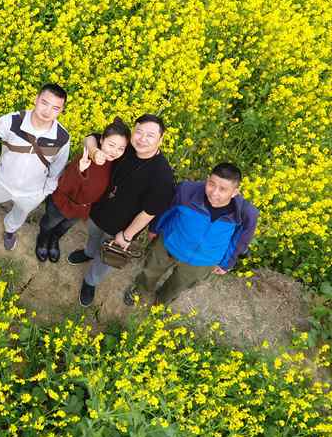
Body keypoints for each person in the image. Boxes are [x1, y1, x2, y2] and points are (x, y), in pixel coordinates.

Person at [69, 114, 175, 308]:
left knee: (106, 259)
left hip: (121, 228)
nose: (142, 139)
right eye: (139, 132)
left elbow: (148, 213)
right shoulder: (125, 148)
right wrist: (94, 151)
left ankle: (90, 282)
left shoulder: (162, 176)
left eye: (150, 135)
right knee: (92, 237)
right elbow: (90, 138)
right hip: (98, 212)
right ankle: (88, 253)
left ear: (161, 139)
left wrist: (127, 237)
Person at [123, 163, 258, 307]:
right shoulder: (187, 191)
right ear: (207, 179)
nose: (214, 193)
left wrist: (227, 263)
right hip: (169, 244)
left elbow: (240, 241)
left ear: (235, 192)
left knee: (178, 285)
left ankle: (161, 303)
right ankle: (140, 290)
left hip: (204, 260)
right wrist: (154, 230)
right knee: (150, 271)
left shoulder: (246, 213)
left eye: (223, 189)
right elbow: (167, 210)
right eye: (211, 184)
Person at [0, 84, 71, 252]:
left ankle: (10, 230)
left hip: (32, 191)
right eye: (44, 103)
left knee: (20, 214)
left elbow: (57, 167)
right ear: (35, 99)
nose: (47, 111)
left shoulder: (62, 137)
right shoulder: (13, 121)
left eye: (55, 108)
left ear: (61, 111)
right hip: (2, 181)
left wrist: (44, 191)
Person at [35, 118, 130, 263]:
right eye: (111, 145)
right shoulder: (87, 157)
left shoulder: (114, 164)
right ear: (101, 140)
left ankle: (54, 239)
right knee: (50, 222)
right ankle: (43, 239)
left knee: (65, 226)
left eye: (121, 149)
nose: (115, 151)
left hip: (82, 209)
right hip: (63, 202)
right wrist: (80, 169)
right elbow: (65, 183)